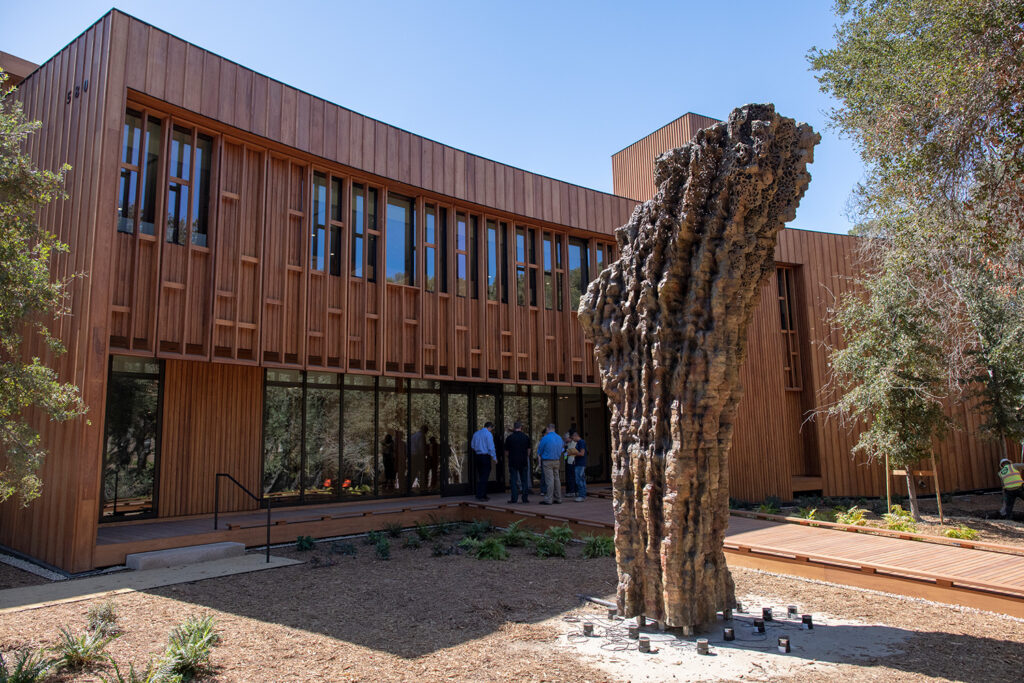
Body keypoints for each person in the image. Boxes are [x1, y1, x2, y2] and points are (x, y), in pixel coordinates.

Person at [504, 421, 532, 503]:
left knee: (513, 480)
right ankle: (525, 498)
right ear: (521, 427)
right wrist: (526, 456)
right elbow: (529, 451)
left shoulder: (509, 438)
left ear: (514, 427)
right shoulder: (526, 437)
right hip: (523, 461)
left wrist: (509, 457)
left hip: (513, 461)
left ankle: (514, 498)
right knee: (524, 480)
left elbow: (506, 452)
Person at [537, 424, 564, 505]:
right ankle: (558, 498)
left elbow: (540, 450)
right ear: (554, 429)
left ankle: (549, 499)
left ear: (548, 429)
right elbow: (562, 449)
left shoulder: (545, 438)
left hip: (547, 461)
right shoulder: (559, 438)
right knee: (557, 479)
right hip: (557, 460)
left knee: (549, 480)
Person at [471, 421, 497, 501]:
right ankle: (481, 495)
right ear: (490, 427)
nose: (491, 430)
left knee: (481, 475)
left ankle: (483, 494)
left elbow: (472, 445)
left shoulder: (476, 433)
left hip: (478, 456)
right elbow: (491, 447)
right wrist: (494, 457)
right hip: (485, 456)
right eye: (492, 429)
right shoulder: (488, 434)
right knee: (484, 477)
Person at [570, 429, 588, 502]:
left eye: (572, 438)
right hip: (579, 463)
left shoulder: (581, 442)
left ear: (575, 436)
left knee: (579, 480)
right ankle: (583, 495)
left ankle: (581, 495)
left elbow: (582, 453)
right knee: (582, 480)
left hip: (580, 464)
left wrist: (572, 452)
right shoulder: (579, 442)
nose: (572, 440)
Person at [410, 424, 428, 492]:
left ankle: (408, 486)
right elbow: (421, 447)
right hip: (418, 456)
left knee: (413, 471)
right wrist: (424, 455)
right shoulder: (421, 436)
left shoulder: (413, 436)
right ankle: (422, 487)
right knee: (422, 471)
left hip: (412, 455)